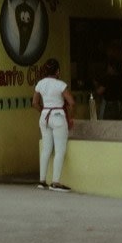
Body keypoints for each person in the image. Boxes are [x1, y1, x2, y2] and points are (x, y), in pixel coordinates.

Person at [32, 58, 75, 191]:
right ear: (58, 71)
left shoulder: (40, 84)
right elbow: (71, 102)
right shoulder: (60, 85)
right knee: (60, 150)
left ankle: (42, 181)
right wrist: (71, 117)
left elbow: (34, 103)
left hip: (45, 117)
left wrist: (44, 112)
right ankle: (55, 182)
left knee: (46, 149)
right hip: (58, 117)